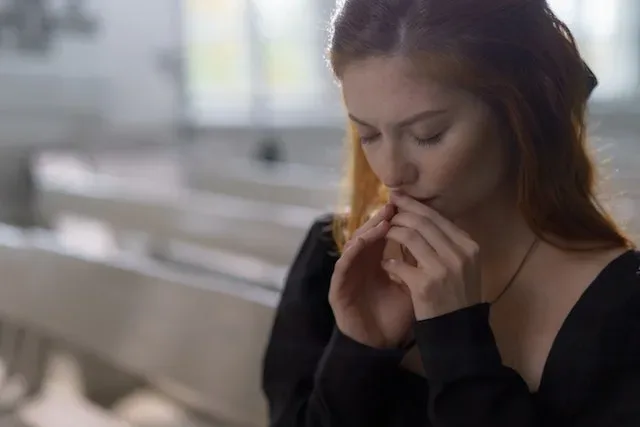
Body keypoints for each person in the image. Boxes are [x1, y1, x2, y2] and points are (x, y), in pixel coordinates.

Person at [261, 0, 640, 425]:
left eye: (428, 135)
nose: (390, 172)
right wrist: (357, 351)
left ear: (521, 116)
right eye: (367, 134)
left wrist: (457, 340)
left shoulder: (623, 305)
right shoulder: (335, 259)